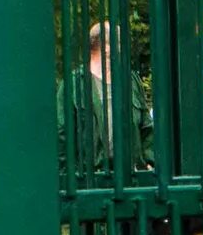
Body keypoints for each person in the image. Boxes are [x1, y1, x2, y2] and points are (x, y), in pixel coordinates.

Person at [60, 21, 152, 174]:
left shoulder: (131, 80)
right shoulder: (73, 84)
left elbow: (146, 126)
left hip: (130, 176)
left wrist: (149, 161)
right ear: (107, 48)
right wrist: (69, 174)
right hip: (90, 179)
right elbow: (62, 133)